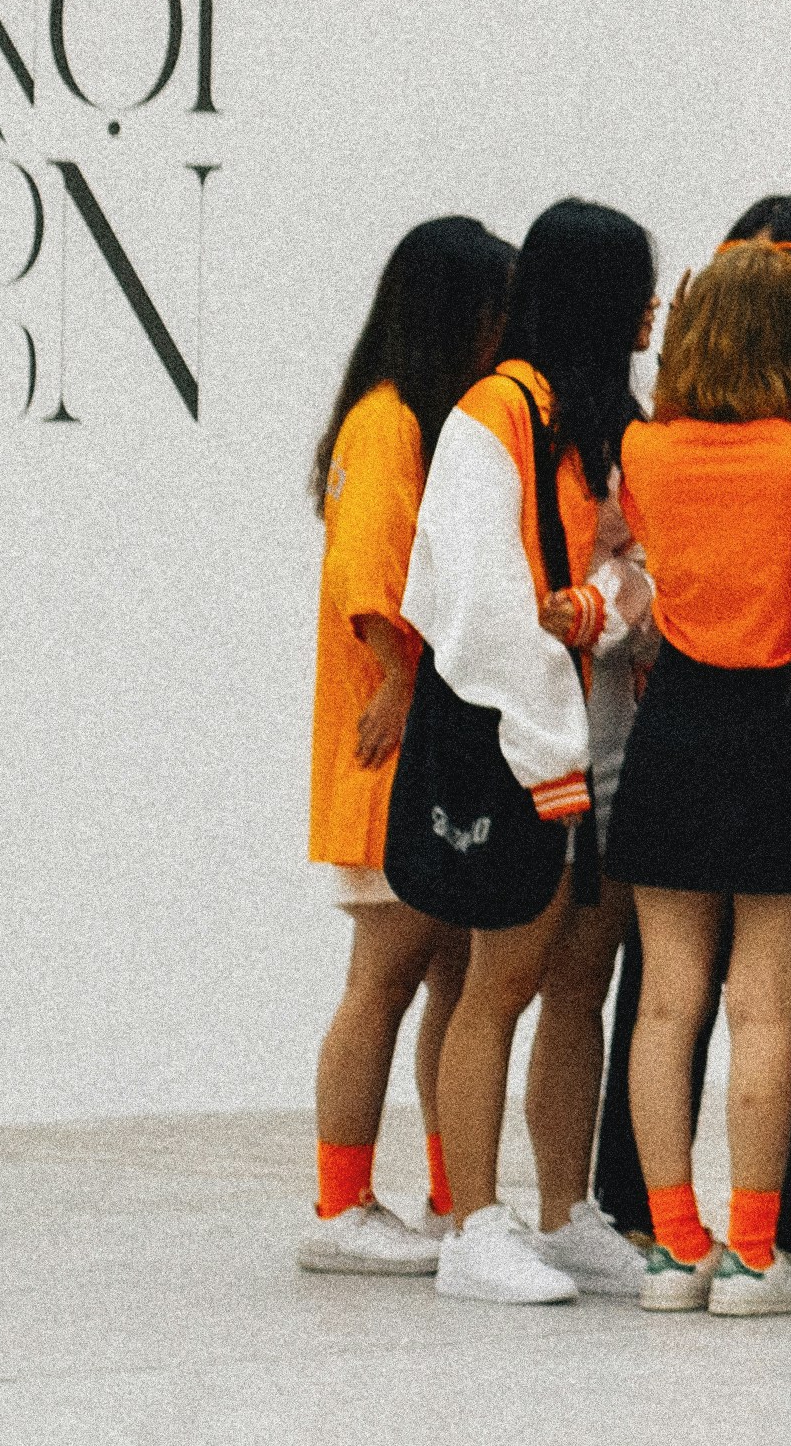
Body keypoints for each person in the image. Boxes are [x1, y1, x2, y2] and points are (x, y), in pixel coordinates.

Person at [599, 197, 791, 1279]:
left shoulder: (647, 452)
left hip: (675, 733)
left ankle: (674, 1245)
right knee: (768, 1009)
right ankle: (756, 1250)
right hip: (787, 740)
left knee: (667, 1004)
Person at [413, 197, 658, 1304]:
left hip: (602, 750)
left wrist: (600, 609)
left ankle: (566, 1212)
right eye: (638, 289)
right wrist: (548, 743)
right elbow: (476, 606)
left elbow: (641, 578)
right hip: (525, 757)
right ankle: (473, 1226)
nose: (654, 309)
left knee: (581, 988)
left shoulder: (607, 420)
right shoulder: (492, 417)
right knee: (495, 983)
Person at [301, 213, 511, 1274]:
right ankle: (340, 1205)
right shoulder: (388, 425)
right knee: (383, 976)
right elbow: (371, 582)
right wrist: (395, 675)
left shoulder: (392, 416)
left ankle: (443, 1187)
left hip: (409, 737)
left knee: (440, 972)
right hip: (391, 745)